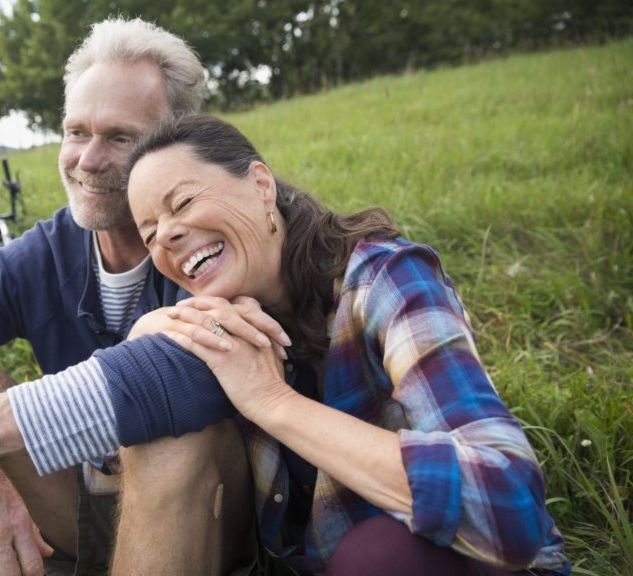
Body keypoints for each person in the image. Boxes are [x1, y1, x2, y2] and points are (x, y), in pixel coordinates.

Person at [0, 17, 274, 576]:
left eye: (120, 138)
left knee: (170, 437)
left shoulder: (208, 236)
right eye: (76, 132)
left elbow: (193, 378)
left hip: (207, 513)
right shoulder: (42, 254)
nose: (87, 162)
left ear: (176, 142)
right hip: (80, 506)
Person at [106, 114, 571, 574]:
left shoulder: (387, 280)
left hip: (453, 561)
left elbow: (509, 505)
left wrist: (272, 401)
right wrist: (144, 350)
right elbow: (119, 471)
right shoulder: (228, 328)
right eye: (150, 233)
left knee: (378, 557)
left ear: (261, 186)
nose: (166, 235)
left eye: (183, 201)